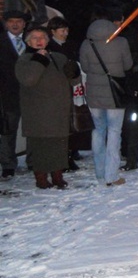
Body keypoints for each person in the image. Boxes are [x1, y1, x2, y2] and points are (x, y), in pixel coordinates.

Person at [15, 26, 80, 189]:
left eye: (42, 37)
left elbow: (74, 81)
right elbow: (29, 79)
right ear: (28, 42)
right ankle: (41, 178)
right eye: (34, 38)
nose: (39, 41)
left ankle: (58, 176)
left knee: (59, 145)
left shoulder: (58, 57)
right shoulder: (24, 59)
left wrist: (74, 72)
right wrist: (40, 60)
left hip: (58, 110)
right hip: (37, 112)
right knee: (40, 146)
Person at [79, 5, 133, 187]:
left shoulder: (87, 43)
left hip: (94, 94)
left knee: (98, 130)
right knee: (114, 132)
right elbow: (127, 65)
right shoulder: (121, 42)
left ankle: (100, 172)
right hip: (114, 94)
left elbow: (85, 68)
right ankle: (112, 175)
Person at [47, 16, 89, 171]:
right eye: (62, 30)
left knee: (72, 124)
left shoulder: (71, 46)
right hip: (57, 91)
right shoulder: (49, 47)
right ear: (53, 31)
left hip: (73, 89)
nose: (65, 33)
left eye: (67, 30)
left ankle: (71, 154)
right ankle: (60, 157)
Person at [0, 10, 31, 180]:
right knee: (8, 131)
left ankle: (34, 162)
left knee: (33, 128)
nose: (15, 24)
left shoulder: (33, 41)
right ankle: (8, 165)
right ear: (6, 24)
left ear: (24, 24)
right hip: (8, 95)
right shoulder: (1, 42)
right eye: (11, 21)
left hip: (32, 94)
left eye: (18, 21)